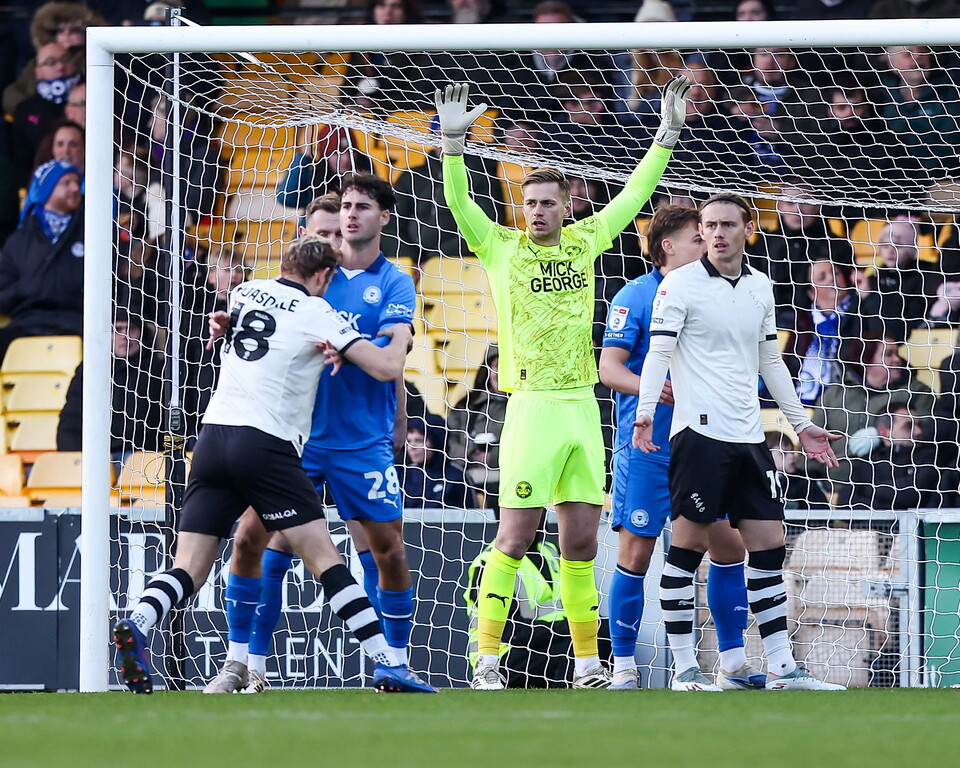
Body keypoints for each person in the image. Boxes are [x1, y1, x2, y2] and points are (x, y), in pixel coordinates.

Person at [436, 76, 691, 690]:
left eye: (549, 202)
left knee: (581, 544)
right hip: (531, 408)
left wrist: (665, 136)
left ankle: (587, 665)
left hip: (582, 407)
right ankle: (486, 661)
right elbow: (460, 203)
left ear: (566, 204)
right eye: (531, 203)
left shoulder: (585, 240)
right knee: (514, 537)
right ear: (521, 206)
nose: (539, 211)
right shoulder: (499, 247)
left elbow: (634, 195)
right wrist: (453, 148)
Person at [111, 236, 425, 695]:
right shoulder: (318, 312)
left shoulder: (244, 293)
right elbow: (383, 367)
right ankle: (388, 662)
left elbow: (244, 327)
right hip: (265, 444)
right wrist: (398, 337)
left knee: (190, 566)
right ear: (323, 276)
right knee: (325, 559)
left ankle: (138, 620)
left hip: (212, 438)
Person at [207, 177, 431, 695]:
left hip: (362, 438)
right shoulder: (306, 283)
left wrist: (395, 408)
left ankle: (394, 663)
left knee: (387, 549)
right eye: (343, 208)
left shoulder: (394, 282)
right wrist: (228, 324)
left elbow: (393, 358)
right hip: (295, 439)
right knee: (255, 540)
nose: (348, 218)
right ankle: (248, 666)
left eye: (360, 207)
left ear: (383, 217)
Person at [632, 193, 846, 690]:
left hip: (750, 437)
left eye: (728, 224)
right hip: (700, 436)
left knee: (769, 544)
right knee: (687, 548)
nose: (717, 233)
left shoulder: (760, 286)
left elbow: (770, 361)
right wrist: (645, 413)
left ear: (748, 229)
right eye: (709, 225)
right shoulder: (679, 284)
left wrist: (801, 424)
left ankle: (782, 667)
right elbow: (658, 354)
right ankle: (685, 668)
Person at [599, 205, 758, 692]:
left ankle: (732, 663)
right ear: (668, 246)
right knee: (636, 552)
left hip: (706, 445)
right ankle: (623, 666)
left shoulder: (716, 291)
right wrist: (652, 388)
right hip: (648, 448)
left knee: (728, 546)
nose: (708, 243)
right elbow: (609, 368)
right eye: (697, 237)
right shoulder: (635, 295)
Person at [0, 159, 83, 363]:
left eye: (76, 182)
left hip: (76, 324)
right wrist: (25, 289)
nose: (76, 188)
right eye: (66, 183)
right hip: (26, 324)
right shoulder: (18, 241)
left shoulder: (91, 231)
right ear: (47, 190)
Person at [57, 312, 164, 468]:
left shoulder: (159, 371)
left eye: (131, 329)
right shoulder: (90, 371)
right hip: (96, 460)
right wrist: (77, 461)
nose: (124, 336)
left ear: (142, 334)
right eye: (118, 330)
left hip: (146, 461)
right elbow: (71, 421)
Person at [841, 403, 945, 509]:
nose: (919, 431)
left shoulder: (931, 456)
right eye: (909, 426)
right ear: (884, 432)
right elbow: (845, 503)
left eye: (919, 425)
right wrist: (892, 507)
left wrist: (870, 489)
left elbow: (914, 494)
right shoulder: (867, 462)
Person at [446, 345, 507, 511]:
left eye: (505, 367)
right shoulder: (466, 405)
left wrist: (492, 458)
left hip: (508, 479)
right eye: (496, 366)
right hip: (468, 478)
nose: (500, 373)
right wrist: (471, 454)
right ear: (487, 370)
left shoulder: (524, 407)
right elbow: (448, 441)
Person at [398, 416, 476, 508]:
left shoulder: (457, 476)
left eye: (419, 441)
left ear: (436, 442)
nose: (411, 447)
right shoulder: (405, 474)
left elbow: (471, 512)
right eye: (409, 441)